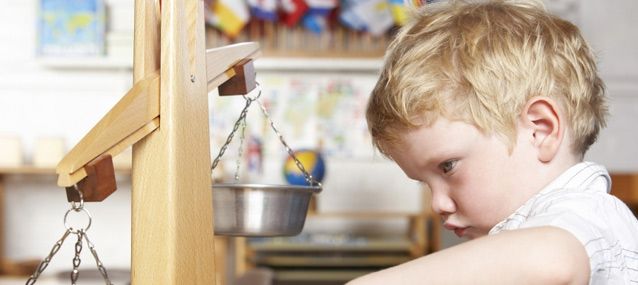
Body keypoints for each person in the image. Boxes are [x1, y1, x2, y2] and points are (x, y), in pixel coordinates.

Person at [348, 0, 638, 284]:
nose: (438, 204)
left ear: (541, 130)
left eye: (447, 166)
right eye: (424, 183)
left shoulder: (588, 213)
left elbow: (552, 261)